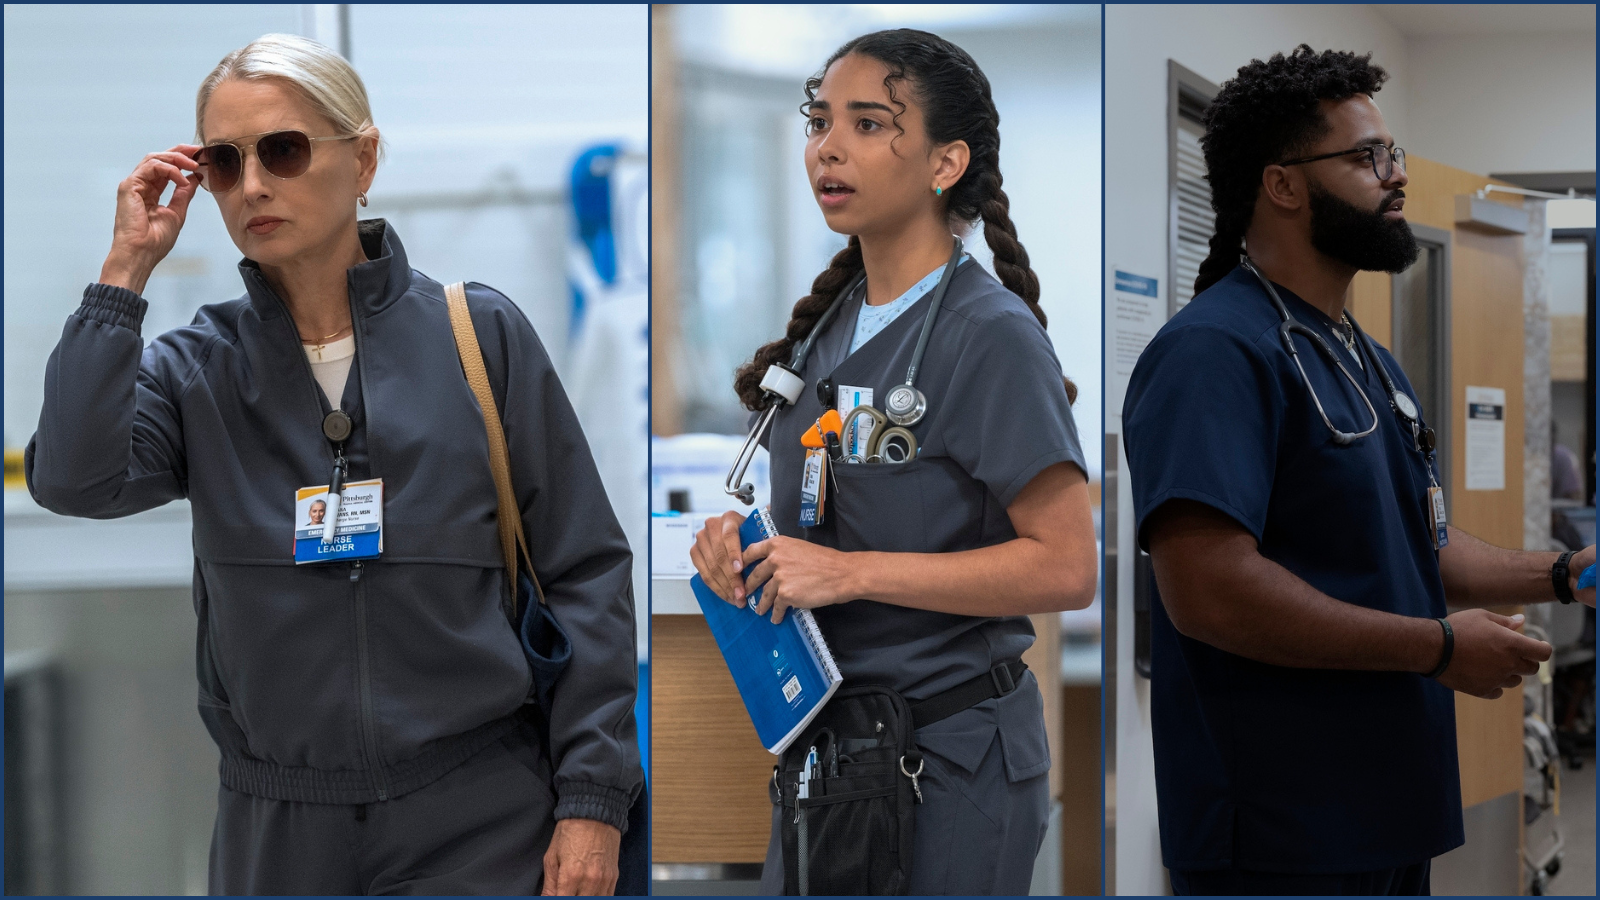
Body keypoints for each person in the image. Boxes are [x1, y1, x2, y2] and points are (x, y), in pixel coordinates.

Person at [25, 34, 641, 896]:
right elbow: (71, 481)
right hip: (278, 829)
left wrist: (592, 800)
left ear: (363, 158)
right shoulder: (193, 368)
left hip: (481, 818)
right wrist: (125, 271)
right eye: (224, 162)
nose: (253, 185)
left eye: (281, 149)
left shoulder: (480, 337)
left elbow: (586, 574)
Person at [1122, 45, 1597, 896]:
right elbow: (1209, 591)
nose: (1395, 176)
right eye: (1367, 157)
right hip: (1281, 826)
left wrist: (1563, 574)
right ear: (1283, 185)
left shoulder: (1361, 356)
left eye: (1396, 155)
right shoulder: (1212, 354)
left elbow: (1419, 548)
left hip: (1383, 804)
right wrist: (1437, 648)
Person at [689, 29, 1098, 896]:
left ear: (946, 162)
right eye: (820, 120)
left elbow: (1066, 567)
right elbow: (825, 508)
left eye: (869, 125)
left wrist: (847, 574)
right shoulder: (827, 331)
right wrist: (739, 542)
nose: (828, 147)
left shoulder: (988, 336)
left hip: (947, 764)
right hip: (830, 749)